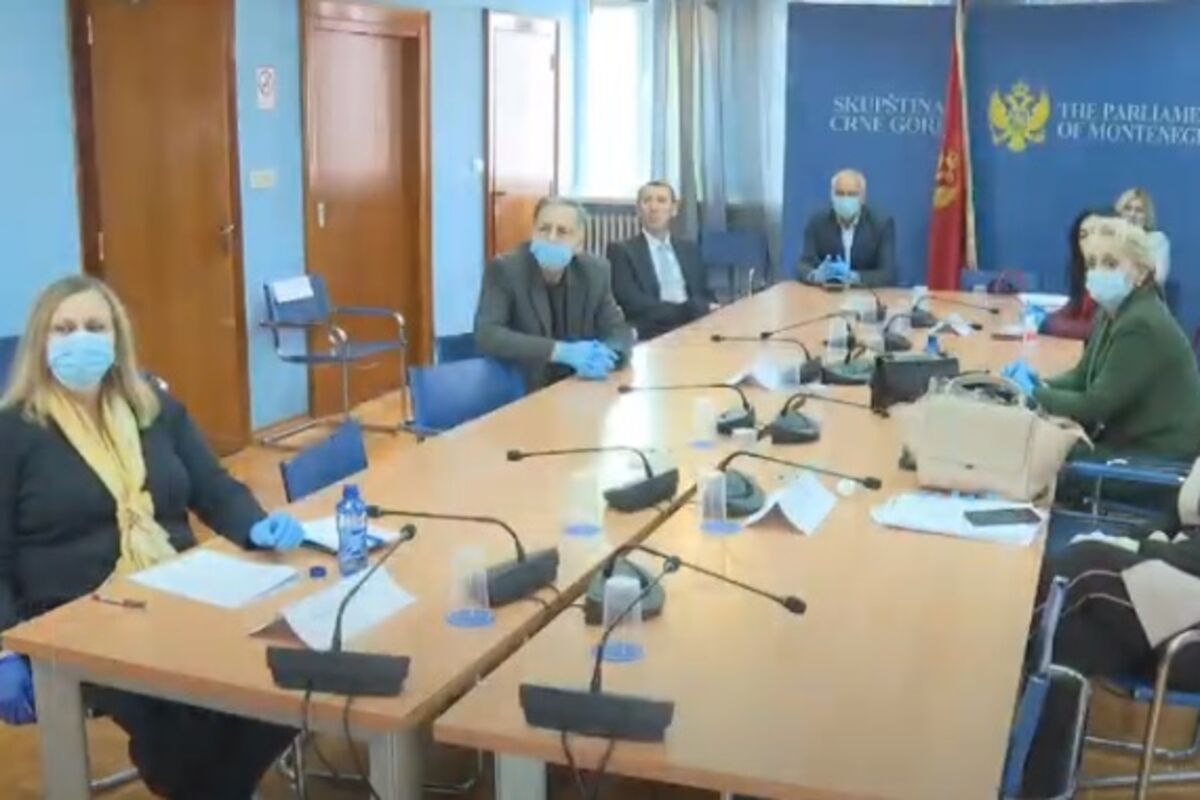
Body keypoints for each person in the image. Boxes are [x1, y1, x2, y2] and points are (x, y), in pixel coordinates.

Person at [0, 276, 302, 799]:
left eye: (94, 326)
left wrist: (255, 525)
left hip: (179, 588)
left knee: (287, 668)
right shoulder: (12, 433)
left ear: (116, 339)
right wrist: (4, 650)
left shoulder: (154, 409)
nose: (80, 339)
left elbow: (212, 486)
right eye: (63, 329)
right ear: (39, 343)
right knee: (182, 728)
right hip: (79, 616)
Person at [1023, 465, 1200, 792]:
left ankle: (980, 686)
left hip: (1191, 633)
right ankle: (1037, 788)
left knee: (1086, 568)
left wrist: (1136, 548)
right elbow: (1175, 513)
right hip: (1176, 586)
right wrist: (1139, 539)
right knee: (1073, 638)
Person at [1002, 217, 1200, 460]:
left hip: (1157, 454)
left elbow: (1095, 406)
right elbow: (1081, 377)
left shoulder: (1141, 323)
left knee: (1039, 452)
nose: (1098, 272)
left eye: (1111, 264)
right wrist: (1040, 384)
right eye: (1092, 264)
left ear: (1140, 272)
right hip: (1127, 440)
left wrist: (1035, 394)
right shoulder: (1111, 312)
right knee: (1031, 439)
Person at [475, 197, 634, 390]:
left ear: (579, 243)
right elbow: (488, 334)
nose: (551, 237)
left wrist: (606, 355)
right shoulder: (505, 269)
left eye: (562, 232)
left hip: (577, 384)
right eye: (544, 229)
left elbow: (618, 330)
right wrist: (559, 351)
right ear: (533, 232)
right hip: (524, 387)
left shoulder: (595, 271)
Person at [607, 180, 711, 341]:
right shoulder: (621, 251)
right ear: (638, 209)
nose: (654, 208)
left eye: (661, 201)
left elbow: (704, 294)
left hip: (694, 326)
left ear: (674, 209)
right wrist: (688, 310)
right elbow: (632, 303)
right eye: (647, 201)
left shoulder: (689, 249)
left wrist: (698, 310)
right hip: (651, 330)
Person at [797, 169, 896, 287]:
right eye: (840, 194)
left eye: (852, 194)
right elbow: (803, 264)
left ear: (863, 198)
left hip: (864, 294)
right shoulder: (817, 222)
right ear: (832, 196)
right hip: (828, 293)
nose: (845, 199)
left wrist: (854, 277)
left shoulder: (881, 224)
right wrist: (815, 275)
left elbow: (887, 274)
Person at [1039, 208, 1106, 341]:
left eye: (1095, 234)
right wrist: (1042, 320)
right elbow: (1073, 306)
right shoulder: (1084, 268)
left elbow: (1099, 330)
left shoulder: (1115, 277)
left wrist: (1050, 325)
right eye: (1083, 235)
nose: (1089, 241)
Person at [1115, 187, 1170, 285]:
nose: (1132, 214)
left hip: (1144, 291)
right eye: (1128, 209)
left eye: (1139, 210)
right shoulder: (1110, 238)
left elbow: (1159, 278)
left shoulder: (1158, 239)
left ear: (1146, 215)